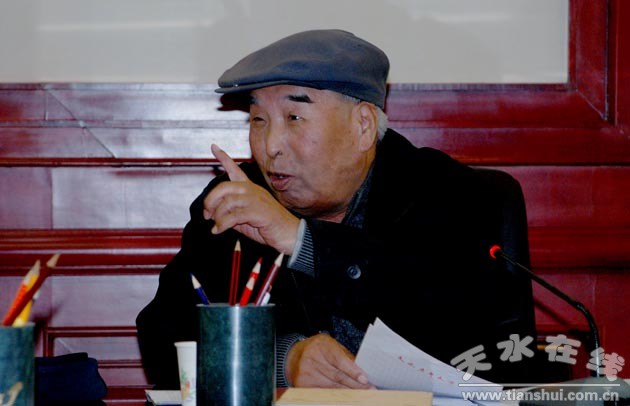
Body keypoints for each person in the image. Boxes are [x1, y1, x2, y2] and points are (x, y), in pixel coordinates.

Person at [136, 29, 537, 390]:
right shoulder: (238, 199)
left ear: (362, 126)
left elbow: (460, 328)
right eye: (258, 119)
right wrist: (282, 360)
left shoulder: (456, 195)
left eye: (294, 117)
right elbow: (163, 335)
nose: (270, 145)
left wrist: (302, 242)